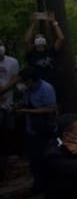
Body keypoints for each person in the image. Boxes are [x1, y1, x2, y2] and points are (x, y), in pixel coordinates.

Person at [16, 66, 57, 193]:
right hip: (31, 129)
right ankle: (39, 185)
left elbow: (51, 108)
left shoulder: (45, 88)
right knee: (34, 160)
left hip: (44, 129)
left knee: (45, 158)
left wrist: (28, 110)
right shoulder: (28, 91)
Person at [24, 12, 64, 85]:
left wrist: (54, 22)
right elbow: (26, 40)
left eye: (42, 37)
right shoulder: (31, 53)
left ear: (45, 41)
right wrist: (33, 23)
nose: (40, 38)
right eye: (37, 37)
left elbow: (61, 38)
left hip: (51, 83)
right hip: (36, 84)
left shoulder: (51, 51)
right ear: (34, 42)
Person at [0, 38, 19, 181]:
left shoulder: (12, 62)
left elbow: (14, 79)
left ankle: (10, 161)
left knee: (9, 131)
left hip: (8, 102)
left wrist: (3, 90)